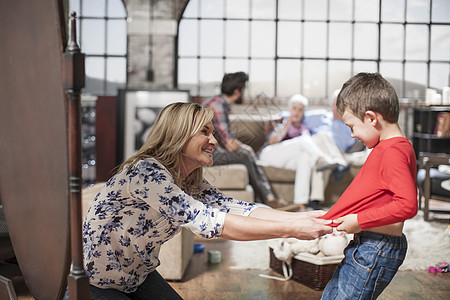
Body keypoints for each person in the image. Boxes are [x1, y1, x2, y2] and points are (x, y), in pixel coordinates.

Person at [74, 102, 332, 299]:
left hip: (137, 278)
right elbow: (211, 222)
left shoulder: (186, 180)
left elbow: (237, 208)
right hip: (96, 284)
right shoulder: (146, 172)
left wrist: (305, 217)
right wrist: (293, 229)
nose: (214, 140)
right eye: (204, 132)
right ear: (179, 134)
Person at [319, 73, 418, 300]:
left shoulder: (392, 151)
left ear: (371, 118)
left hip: (376, 247)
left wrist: (358, 221)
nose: (353, 135)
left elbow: (407, 205)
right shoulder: (389, 148)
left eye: (352, 126)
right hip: (368, 243)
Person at [202, 72, 285, 208]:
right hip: (209, 154)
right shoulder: (217, 107)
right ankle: (268, 198)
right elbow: (230, 144)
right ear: (237, 91)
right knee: (245, 155)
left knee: (246, 154)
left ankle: (265, 198)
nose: (243, 94)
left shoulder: (216, 102)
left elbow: (225, 138)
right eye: (243, 90)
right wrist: (247, 148)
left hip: (211, 151)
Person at [259, 94, 347, 211]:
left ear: (303, 113)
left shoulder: (303, 128)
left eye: (300, 110)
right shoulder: (282, 123)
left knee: (305, 158)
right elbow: (272, 141)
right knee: (304, 140)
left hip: (287, 160)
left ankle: (300, 203)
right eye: (294, 108)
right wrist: (286, 126)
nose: (297, 112)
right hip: (269, 155)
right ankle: (322, 159)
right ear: (289, 110)